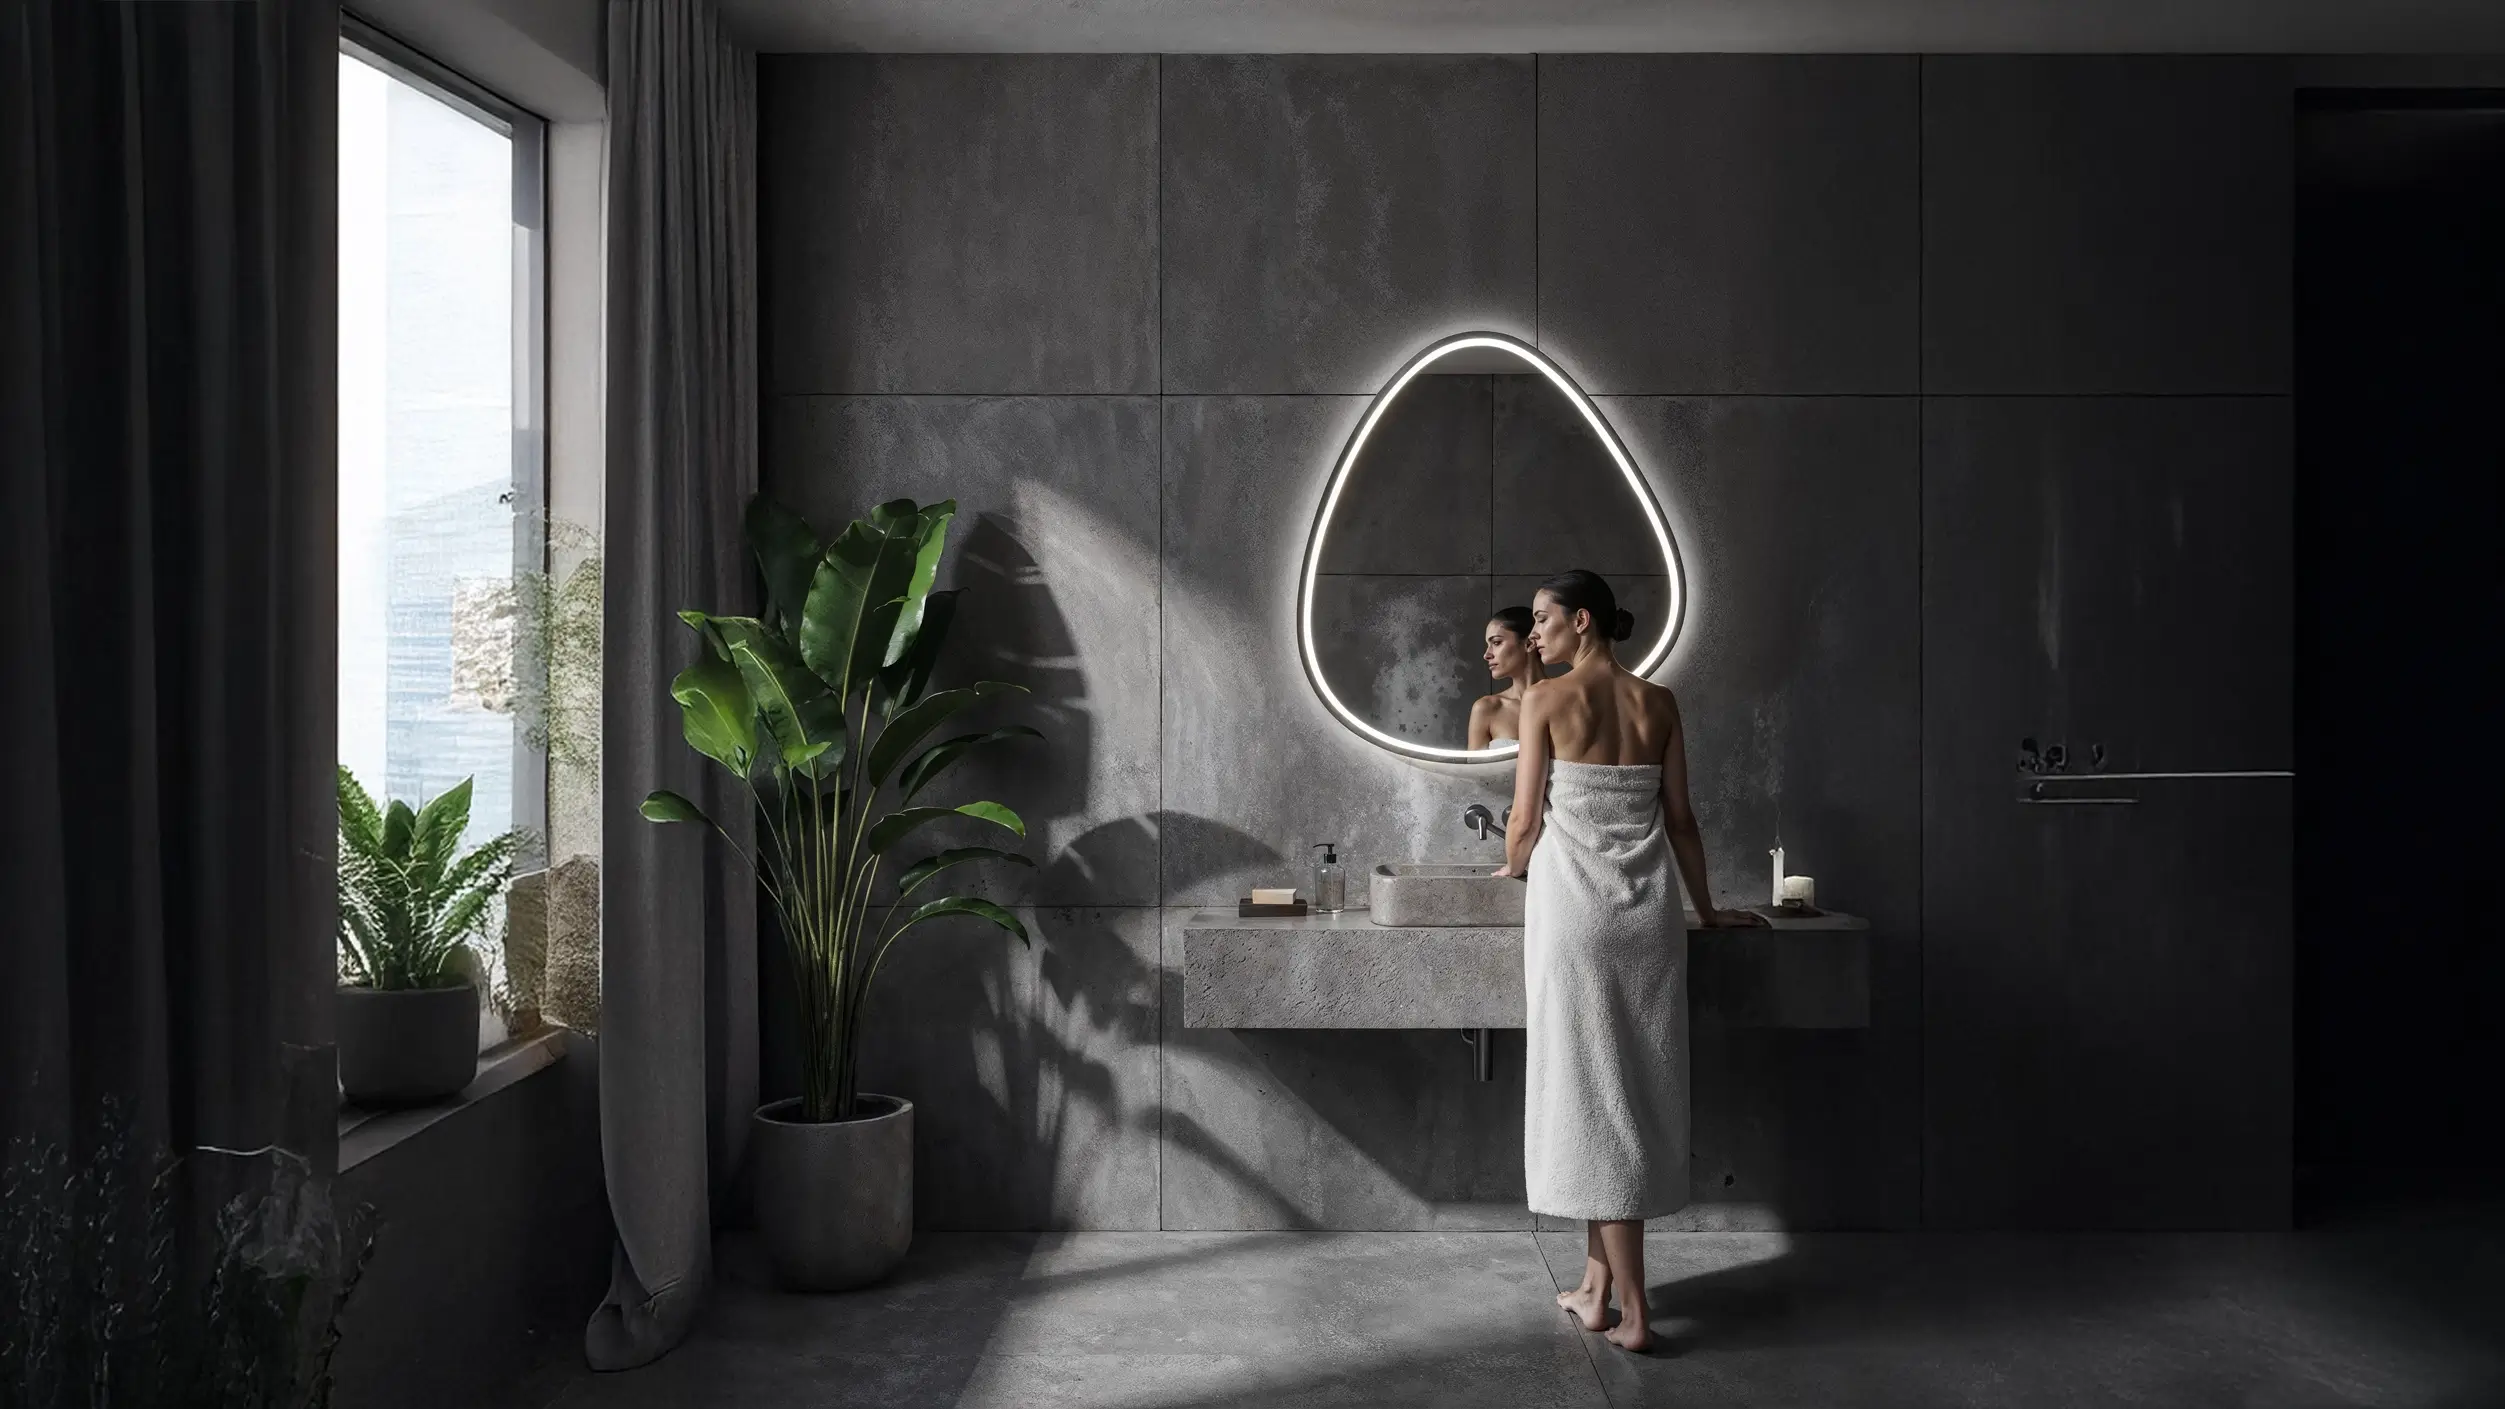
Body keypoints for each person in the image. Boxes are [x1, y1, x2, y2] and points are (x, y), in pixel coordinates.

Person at [1495, 568, 1766, 1353]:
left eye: (1542, 620)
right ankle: (1594, 1287)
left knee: (1593, 1098)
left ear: (1583, 621)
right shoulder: (1660, 703)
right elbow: (1680, 818)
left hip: (1575, 920)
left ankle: (1637, 1314)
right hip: (1646, 920)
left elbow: (1520, 817)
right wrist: (1706, 910)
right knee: (1623, 1090)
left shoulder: (1545, 699)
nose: (1534, 634)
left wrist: (1511, 863)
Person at [1466, 606, 1542, 749]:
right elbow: (1474, 771)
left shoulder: (1565, 700)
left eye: (1496, 643)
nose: (1487, 654)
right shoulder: (1487, 709)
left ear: (1529, 643)